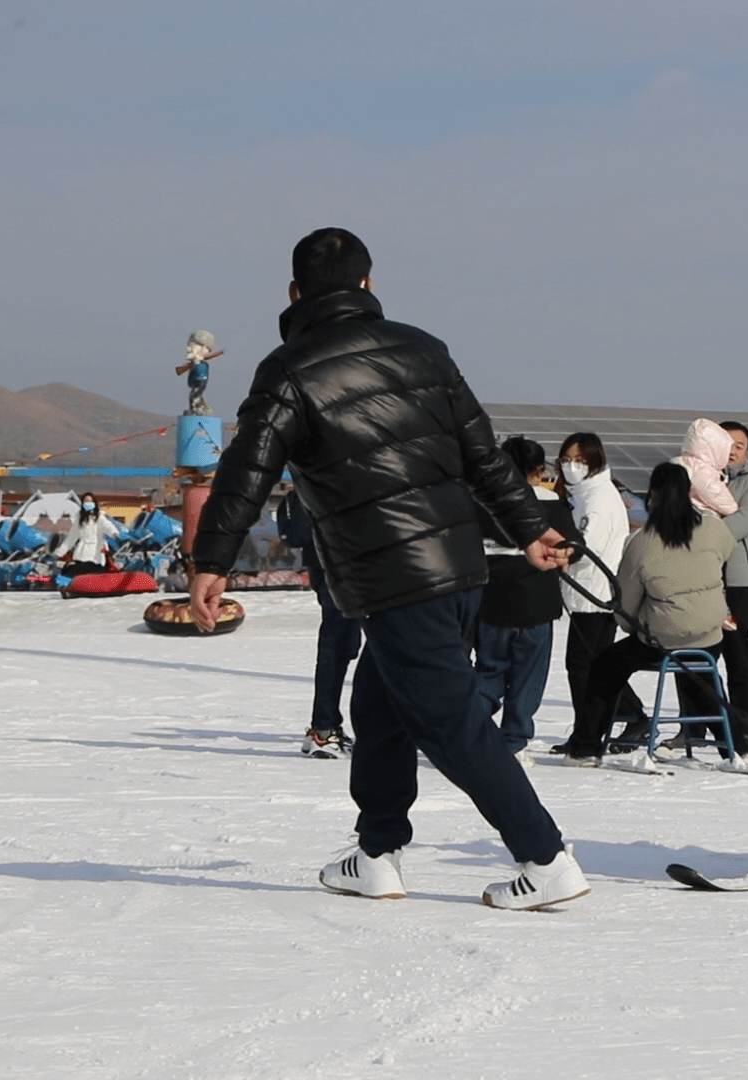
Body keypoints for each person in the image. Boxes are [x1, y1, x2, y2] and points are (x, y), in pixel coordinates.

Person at [187, 226, 587, 910]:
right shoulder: (424, 351)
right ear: (369, 285)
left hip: (392, 576)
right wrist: (531, 530)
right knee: (378, 703)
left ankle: (545, 858)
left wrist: (211, 560)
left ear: (294, 293)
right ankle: (377, 852)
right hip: (456, 567)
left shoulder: (288, 369)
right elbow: (484, 455)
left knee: (450, 722)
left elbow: (248, 470)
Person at [559, 461, 735, 763]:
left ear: (652, 494)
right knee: (702, 675)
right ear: (689, 492)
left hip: (662, 639)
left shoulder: (642, 543)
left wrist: (636, 626)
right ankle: (733, 744)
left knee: (602, 667)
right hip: (710, 634)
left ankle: (586, 746)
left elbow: (625, 604)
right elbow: (726, 554)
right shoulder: (714, 528)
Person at [474, 437, 581, 763]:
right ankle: (513, 740)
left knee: (488, 671)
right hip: (536, 606)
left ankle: (470, 731)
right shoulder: (552, 505)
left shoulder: (482, 503)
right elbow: (573, 546)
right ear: (538, 470)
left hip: (491, 604)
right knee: (528, 677)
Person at [554, 432, 646, 748]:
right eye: (566, 460)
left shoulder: (598, 499)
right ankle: (624, 717)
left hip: (594, 594)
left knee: (583, 668)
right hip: (585, 592)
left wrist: (561, 555)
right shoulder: (584, 495)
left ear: (595, 461)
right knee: (595, 665)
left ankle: (590, 732)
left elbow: (586, 546)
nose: (571, 467)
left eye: (579, 461)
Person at [277, 486, 361, 757]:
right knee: (338, 645)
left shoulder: (312, 470)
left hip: (321, 561)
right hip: (344, 563)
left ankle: (325, 728)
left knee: (339, 644)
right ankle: (323, 730)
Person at [713, 420, 748, 753]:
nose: (733, 450)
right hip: (702, 578)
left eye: (740, 445)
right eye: (727, 443)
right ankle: (701, 719)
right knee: (696, 652)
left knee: (737, 649)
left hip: (737, 580)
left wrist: (707, 532)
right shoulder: (700, 480)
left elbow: (747, 520)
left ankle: (745, 719)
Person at [676, 418, 738, 517]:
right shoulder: (701, 469)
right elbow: (715, 494)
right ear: (716, 448)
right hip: (698, 517)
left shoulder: (678, 462)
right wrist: (733, 509)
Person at [53, 493, 123, 577]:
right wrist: (60, 552)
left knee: (83, 570)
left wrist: (114, 532)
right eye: (86, 501)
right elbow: (72, 537)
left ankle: (79, 584)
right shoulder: (80, 519)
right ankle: (63, 584)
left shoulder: (99, 517)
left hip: (96, 554)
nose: (88, 503)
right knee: (68, 570)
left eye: (90, 501)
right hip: (82, 553)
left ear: (94, 503)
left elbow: (107, 525)